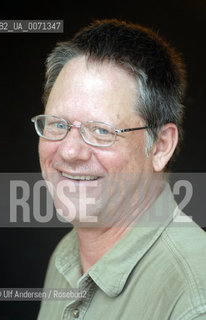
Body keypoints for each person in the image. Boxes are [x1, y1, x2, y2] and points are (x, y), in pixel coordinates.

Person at [32, 19, 206, 319]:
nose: (70, 151)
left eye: (101, 130)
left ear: (161, 146)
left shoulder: (193, 298)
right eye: (58, 124)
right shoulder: (65, 255)